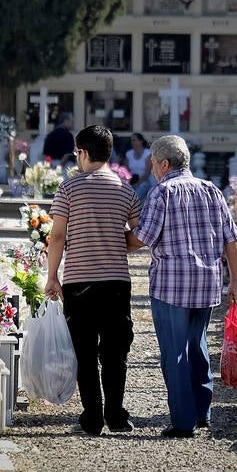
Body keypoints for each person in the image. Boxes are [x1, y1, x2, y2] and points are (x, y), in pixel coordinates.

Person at [127, 135, 237, 438]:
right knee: (197, 345)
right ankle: (202, 412)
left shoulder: (162, 192)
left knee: (174, 352)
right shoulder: (212, 190)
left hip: (172, 285)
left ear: (164, 163)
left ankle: (182, 421)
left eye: (153, 162)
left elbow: (142, 238)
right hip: (207, 283)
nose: (151, 168)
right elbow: (233, 239)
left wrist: (109, 239)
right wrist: (236, 282)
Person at [44, 125, 141, 436]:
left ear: (82, 153)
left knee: (84, 353)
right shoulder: (126, 190)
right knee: (116, 352)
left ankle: (93, 417)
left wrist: (51, 277)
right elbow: (140, 235)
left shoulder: (68, 189)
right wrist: (115, 240)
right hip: (116, 282)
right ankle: (116, 415)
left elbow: (57, 236)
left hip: (79, 281)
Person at [124, 133, 156, 203]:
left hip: (146, 181)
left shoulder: (148, 154)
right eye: (131, 140)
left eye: (134, 140)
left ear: (141, 141)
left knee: (135, 197)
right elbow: (125, 171)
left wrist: (137, 184)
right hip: (132, 180)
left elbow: (147, 173)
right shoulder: (129, 153)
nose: (132, 142)